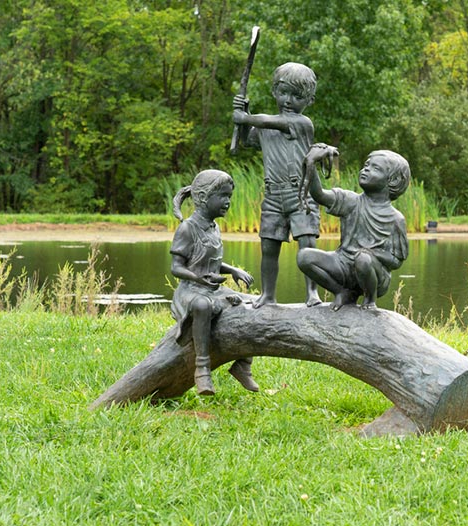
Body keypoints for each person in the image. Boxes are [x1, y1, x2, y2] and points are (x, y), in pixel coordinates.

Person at [232, 62, 321, 308]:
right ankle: (268, 295)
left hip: (300, 194)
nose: (288, 100)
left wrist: (247, 117)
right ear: (274, 91)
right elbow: (246, 140)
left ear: (309, 100)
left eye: (297, 96)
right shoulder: (264, 128)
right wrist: (241, 121)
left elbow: (267, 121)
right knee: (268, 247)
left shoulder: (302, 123)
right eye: (283, 93)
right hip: (273, 195)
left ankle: (312, 294)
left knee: (307, 244)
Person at [170, 169, 258, 396]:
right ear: (202, 198)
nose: (228, 202)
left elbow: (211, 262)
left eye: (229, 196)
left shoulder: (214, 227)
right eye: (223, 196)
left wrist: (233, 269)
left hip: (213, 288)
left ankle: (243, 365)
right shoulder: (187, 228)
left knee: (256, 303)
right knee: (202, 306)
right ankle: (202, 370)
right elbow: (176, 268)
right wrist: (197, 278)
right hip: (191, 290)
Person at [297, 144, 410, 310]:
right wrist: (311, 163)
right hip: (342, 265)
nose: (365, 170)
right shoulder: (350, 201)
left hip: (374, 274)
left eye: (375, 168)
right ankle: (342, 292)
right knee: (304, 257)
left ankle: (369, 301)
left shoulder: (396, 219)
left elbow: (396, 261)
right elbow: (319, 194)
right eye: (366, 166)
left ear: (392, 181)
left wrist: (370, 254)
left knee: (363, 259)